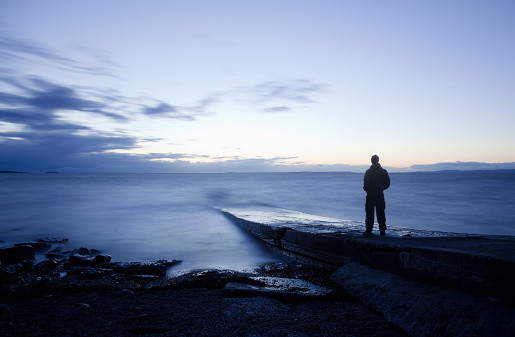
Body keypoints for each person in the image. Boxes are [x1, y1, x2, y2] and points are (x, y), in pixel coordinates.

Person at [363, 154, 390, 236]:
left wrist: (368, 190)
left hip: (371, 194)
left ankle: (369, 230)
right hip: (380, 194)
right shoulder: (384, 171)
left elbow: (366, 184)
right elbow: (387, 183)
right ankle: (382, 230)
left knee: (369, 213)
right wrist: (381, 188)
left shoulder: (369, 172)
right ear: (378, 161)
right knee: (381, 212)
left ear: (371, 161)